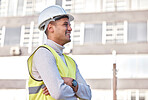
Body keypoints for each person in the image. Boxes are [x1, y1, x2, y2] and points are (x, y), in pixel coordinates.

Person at [27, 5, 91, 100]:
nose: (70, 29)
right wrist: (76, 92)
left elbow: (88, 95)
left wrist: (72, 82)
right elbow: (59, 93)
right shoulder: (43, 53)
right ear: (50, 28)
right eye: (65, 24)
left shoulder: (71, 62)